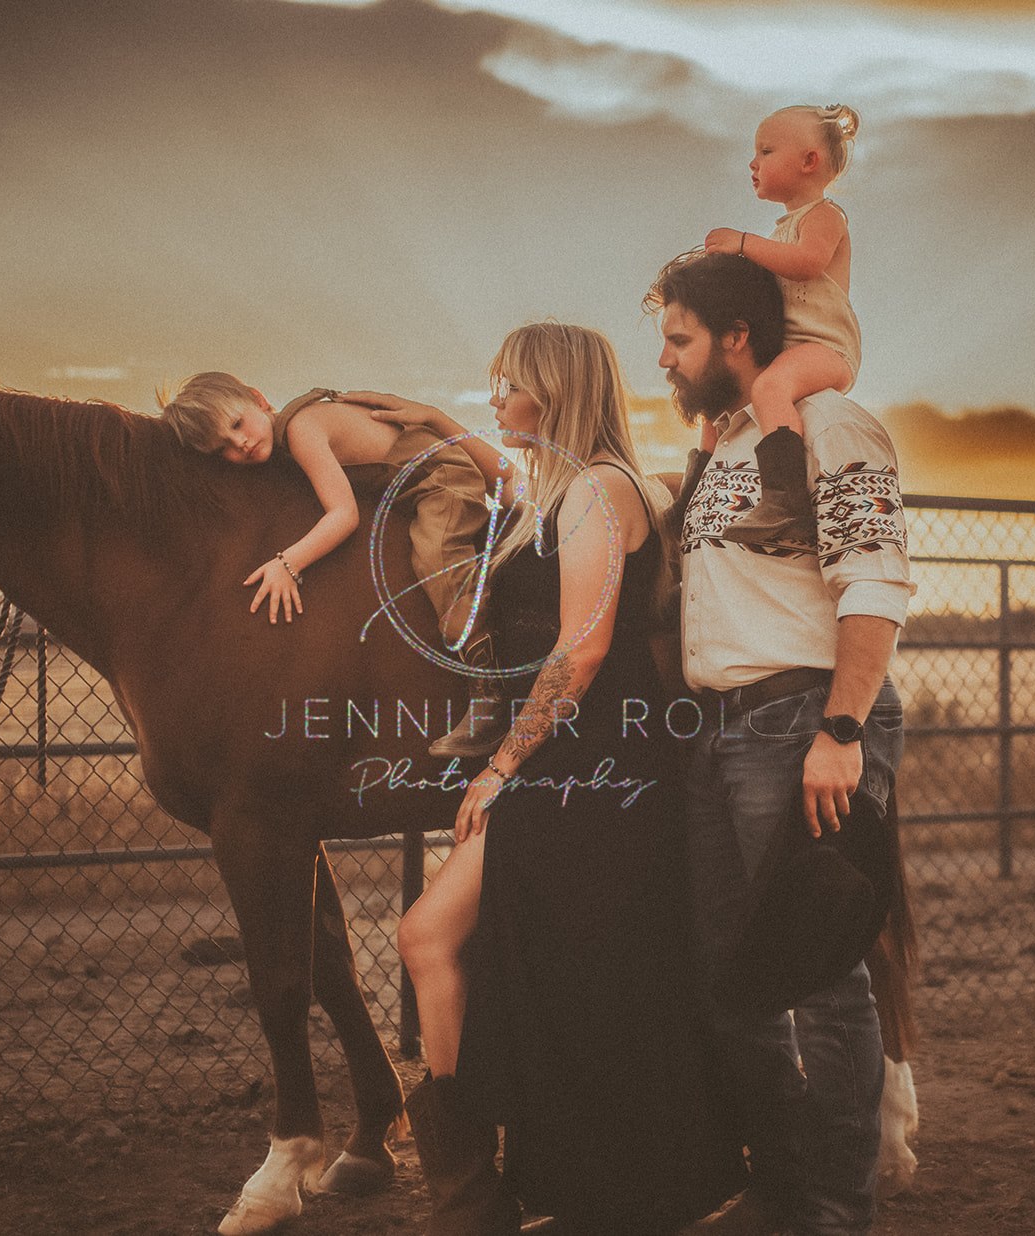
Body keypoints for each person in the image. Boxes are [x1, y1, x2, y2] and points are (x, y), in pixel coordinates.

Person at [367, 322, 745, 1235]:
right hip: (583, 763)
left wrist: (500, 764)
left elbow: (584, 650)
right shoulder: (570, 492)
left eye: (510, 384)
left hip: (588, 765)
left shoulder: (596, 493)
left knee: (435, 937)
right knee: (525, 965)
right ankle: (494, 1193)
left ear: (556, 391)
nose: (494, 397)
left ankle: (481, 1199)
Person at [646, 250, 913, 1236]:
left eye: (678, 340)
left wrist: (840, 729)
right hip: (720, 730)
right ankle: (782, 1183)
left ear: (736, 338)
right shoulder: (721, 451)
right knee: (732, 973)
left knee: (817, 976)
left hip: (803, 719)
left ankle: (837, 1212)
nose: (665, 360)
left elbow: (874, 582)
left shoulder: (834, 426)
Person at [157, 371, 505, 756]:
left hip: (442, 480)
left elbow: (344, 515)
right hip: (409, 487)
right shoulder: (289, 438)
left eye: (237, 424)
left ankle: (487, 688)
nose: (240, 443)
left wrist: (288, 562)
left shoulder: (302, 430)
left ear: (257, 398)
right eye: (223, 448)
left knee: (435, 556)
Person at [700, 103, 862, 549]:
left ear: (809, 161)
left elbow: (807, 264)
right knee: (720, 398)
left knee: (770, 389)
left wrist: (743, 244)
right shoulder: (780, 232)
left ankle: (785, 501)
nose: (753, 162)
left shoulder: (825, 217)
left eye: (766, 151)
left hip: (825, 348)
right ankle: (699, 479)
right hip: (788, 349)